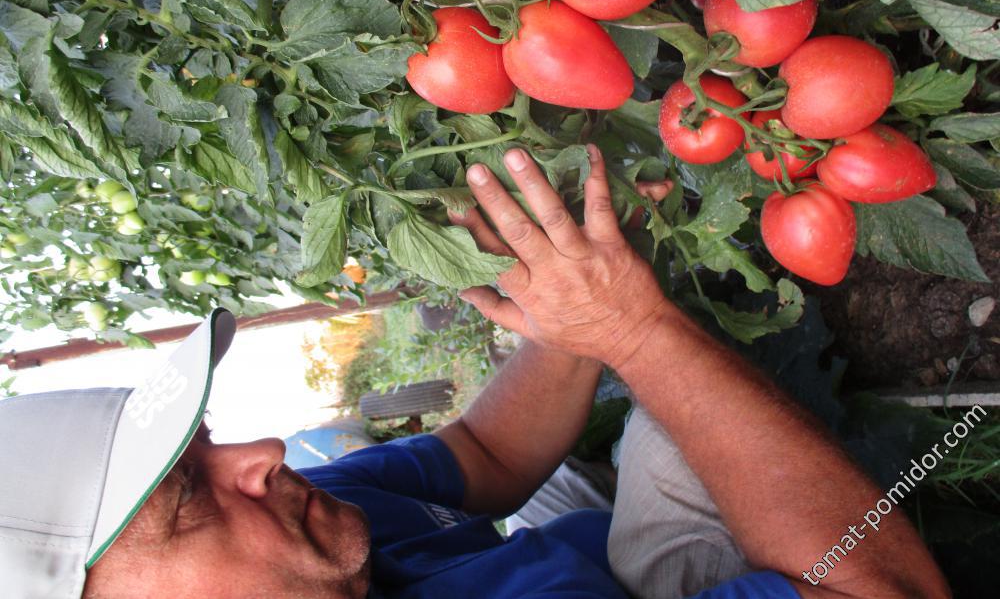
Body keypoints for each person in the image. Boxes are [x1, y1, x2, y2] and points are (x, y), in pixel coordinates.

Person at [1, 146, 951, 599]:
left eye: (199, 445)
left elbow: (485, 451)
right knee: (691, 393)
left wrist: (570, 323)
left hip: (604, 573)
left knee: (677, 413)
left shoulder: (303, 536)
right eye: (186, 501)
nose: (256, 450)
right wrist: (636, 331)